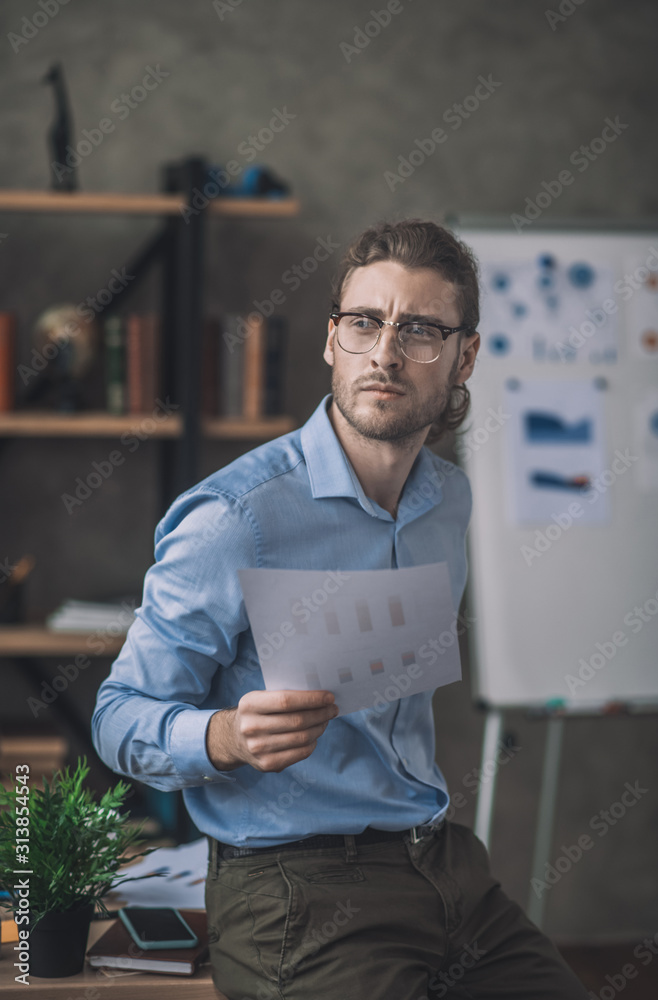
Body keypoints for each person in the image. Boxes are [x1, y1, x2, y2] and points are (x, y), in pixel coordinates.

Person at [92, 218, 589, 999]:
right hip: (294, 888)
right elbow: (117, 716)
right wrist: (223, 736)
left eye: (420, 330)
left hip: (445, 868)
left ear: (465, 357)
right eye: (364, 323)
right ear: (332, 341)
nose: (385, 353)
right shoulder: (235, 517)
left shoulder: (446, 503)